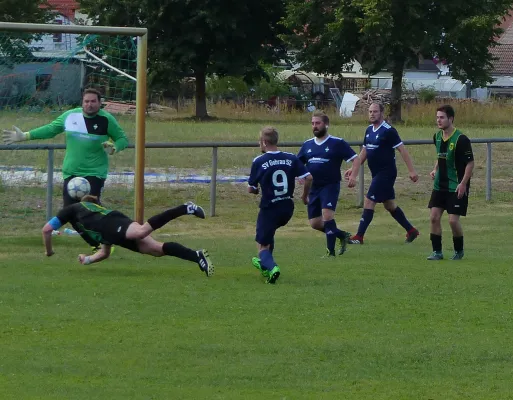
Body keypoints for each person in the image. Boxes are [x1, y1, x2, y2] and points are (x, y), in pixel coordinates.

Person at [2, 88, 129, 207]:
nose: (89, 104)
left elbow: (122, 139)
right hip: (71, 172)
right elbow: (51, 129)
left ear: (100, 102)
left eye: (93, 101)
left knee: (91, 211)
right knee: (69, 211)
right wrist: (25, 136)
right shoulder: (70, 116)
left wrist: (115, 148)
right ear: (82, 102)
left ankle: (100, 230)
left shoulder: (106, 119)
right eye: (86, 101)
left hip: (94, 173)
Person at [41, 196, 214, 276]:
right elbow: (105, 252)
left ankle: (186, 208)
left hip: (114, 222)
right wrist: (87, 260)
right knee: (157, 250)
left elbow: (46, 230)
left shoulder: (73, 209)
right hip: (113, 234)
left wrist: (49, 251)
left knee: (141, 231)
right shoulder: (86, 228)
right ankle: (197, 256)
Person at [345, 102, 420, 244]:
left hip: (386, 173)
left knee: (369, 201)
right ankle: (411, 231)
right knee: (389, 205)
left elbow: (402, 150)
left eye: (375, 111)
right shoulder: (368, 130)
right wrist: (354, 167)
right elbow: (364, 151)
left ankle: (359, 237)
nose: (372, 114)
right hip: (376, 173)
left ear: (382, 113)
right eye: (370, 111)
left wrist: (411, 171)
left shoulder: (388, 130)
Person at [248, 126, 312, 283]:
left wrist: (255, 190)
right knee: (269, 234)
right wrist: (304, 195)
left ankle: (271, 267)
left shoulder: (259, 161)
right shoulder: (290, 158)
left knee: (262, 245)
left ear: (264, 142)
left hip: (270, 207)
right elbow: (309, 177)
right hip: (287, 207)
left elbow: (252, 188)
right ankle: (266, 264)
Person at [297, 111, 361, 257]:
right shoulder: (307, 145)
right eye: (313, 123)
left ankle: (330, 253)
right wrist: (300, 175)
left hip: (330, 185)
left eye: (318, 123)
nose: (315, 126)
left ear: (326, 124)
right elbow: (298, 164)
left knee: (327, 216)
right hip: (314, 187)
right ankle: (342, 235)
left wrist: (354, 176)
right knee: (315, 223)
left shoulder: (337, 143)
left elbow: (356, 159)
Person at [427, 105, 474, 260]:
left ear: (451, 119)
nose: (438, 120)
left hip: (456, 186)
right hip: (440, 186)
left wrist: (463, 184)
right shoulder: (437, 136)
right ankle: (437, 252)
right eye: (437, 117)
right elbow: (441, 156)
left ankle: (459, 251)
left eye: (442, 117)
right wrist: (435, 169)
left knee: (453, 221)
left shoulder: (461, 139)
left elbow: (470, 163)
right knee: (434, 217)